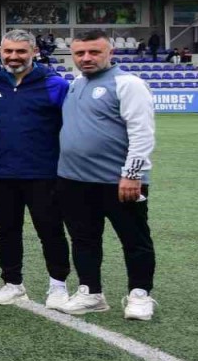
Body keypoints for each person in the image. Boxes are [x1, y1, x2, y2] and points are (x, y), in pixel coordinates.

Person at [56, 30, 158, 320]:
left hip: (119, 182)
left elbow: (142, 133)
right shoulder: (75, 84)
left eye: (94, 52)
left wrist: (132, 174)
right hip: (74, 181)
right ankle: (91, 292)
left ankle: (140, 295)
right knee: (84, 239)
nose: (86, 58)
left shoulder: (129, 84)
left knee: (134, 239)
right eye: (79, 53)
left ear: (109, 53)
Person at [0, 29, 72, 308]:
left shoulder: (55, 85)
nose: (14, 56)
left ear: (34, 52)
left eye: (21, 51)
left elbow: (70, 129)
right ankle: (13, 283)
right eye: (8, 51)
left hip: (44, 174)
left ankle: (58, 285)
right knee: (6, 231)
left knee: (50, 230)